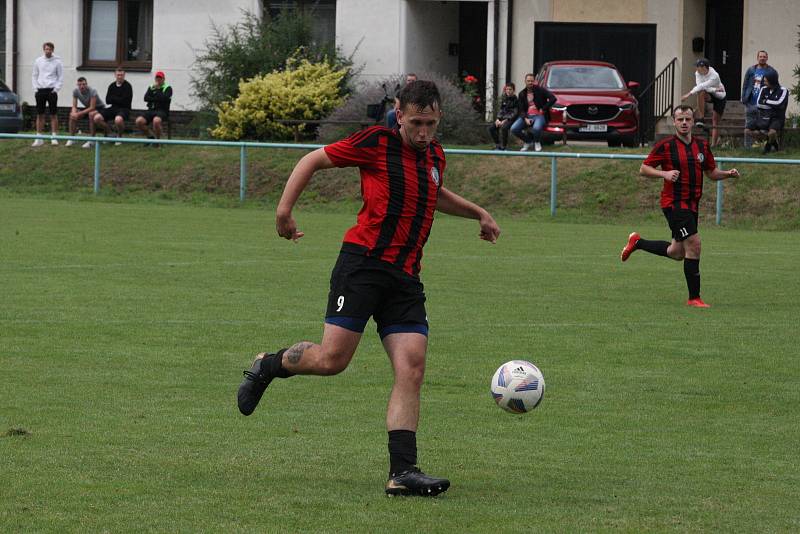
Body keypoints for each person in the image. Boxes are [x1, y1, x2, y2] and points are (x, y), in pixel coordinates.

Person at [237, 80, 501, 497]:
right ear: (399, 113)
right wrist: (284, 210)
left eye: (431, 123)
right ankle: (269, 364)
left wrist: (478, 213)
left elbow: (432, 194)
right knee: (332, 361)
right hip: (362, 267)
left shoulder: (435, 155)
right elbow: (312, 160)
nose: (423, 132)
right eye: (416, 122)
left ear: (439, 118)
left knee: (412, 366)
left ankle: (402, 471)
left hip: (406, 277)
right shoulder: (376, 142)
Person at [619, 105, 739, 308]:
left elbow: (711, 173)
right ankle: (694, 298)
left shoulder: (702, 146)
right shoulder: (665, 146)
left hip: (692, 204)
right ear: (674, 122)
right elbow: (643, 168)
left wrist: (727, 174)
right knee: (694, 244)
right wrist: (663, 174)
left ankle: (637, 242)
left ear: (693, 122)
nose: (684, 123)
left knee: (677, 252)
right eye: (680, 119)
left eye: (688, 119)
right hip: (674, 203)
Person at [681, 58, 726, 147]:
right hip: (709, 93)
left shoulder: (714, 75)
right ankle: (701, 118)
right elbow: (700, 87)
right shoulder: (697, 73)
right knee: (700, 92)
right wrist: (714, 89)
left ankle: (713, 144)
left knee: (715, 121)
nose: (696, 69)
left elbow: (703, 85)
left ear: (704, 68)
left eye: (698, 67)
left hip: (719, 96)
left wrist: (688, 94)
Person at [745, 68, 788, 154]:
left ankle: (767, 147)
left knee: (772, 133)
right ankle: (774, 144)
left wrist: (766, 101)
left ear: (772, 81)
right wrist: (772, 104)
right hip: (763, 116)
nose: (764, 82)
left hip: (777, 118)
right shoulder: (763, 89)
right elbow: (759, 104)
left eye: (766, 81)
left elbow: (780, 104)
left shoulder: (783, 90)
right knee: (747, 130)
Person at [510, 73, 557, 152]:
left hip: (539, 115)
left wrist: (544, 108)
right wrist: (525, 118)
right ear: (525, 81)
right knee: (514, 128)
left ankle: (537, 142)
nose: (530, 82)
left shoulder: (540, 90)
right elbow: (521, 109)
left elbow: (553, 98)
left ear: (534, 81)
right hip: (527, 116)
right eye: (528, 81)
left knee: (536, 128)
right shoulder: (522, 94)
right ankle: (528, 141)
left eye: (532, 81)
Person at [31, 42, 64, 147]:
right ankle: (39, 138)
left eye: (49, 49)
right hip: (40, 90)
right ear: (43, 50)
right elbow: (34, 75)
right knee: (40, 114)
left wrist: (56, 89)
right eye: (46, 49)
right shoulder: (38, 61)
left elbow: (60, 77)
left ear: (52, 50)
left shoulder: (57, 62)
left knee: (53, 114)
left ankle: (54, 137)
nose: (48, 51)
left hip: (51, 91)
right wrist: (36, 88)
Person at [93, 67, 133, 146]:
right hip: (113, 108)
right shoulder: (112, 86)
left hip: (124, 109)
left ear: (124, 75)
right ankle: (110, 133)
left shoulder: (128, 86)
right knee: (96, 118)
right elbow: (107, 100)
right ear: (115, 75)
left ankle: (119, 136)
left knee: (118, 120)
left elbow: (125, 101)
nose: (120, 77)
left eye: (121, 75)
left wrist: (114, 98)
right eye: (118, 75)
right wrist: (118, 99)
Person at [741, 51, 772, 149]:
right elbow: (745, 84)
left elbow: (774, 86)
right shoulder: (751, 70)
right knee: (748, 126)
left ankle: (765, 146)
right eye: (760, 56)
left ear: (767, 58)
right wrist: (744, 98)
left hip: (763, 104)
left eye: (764, 56)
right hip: (750, 103)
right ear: (757, 58)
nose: (762, 58)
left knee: (764, 127)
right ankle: (748, 147)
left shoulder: (771, 71)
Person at [136, 71, 172, 147]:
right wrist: (157, 98)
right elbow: (146, 98)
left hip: (163, 111)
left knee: (156, 121)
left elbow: (164, 99)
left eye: (160, 78)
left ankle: (157, 141)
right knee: (139, 121)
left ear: (164, 79)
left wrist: (157, 90)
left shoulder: (168, 88)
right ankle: (150, 137)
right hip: (151, 110)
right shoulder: (151, 87)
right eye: (157, 78)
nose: (158, 80)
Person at [67, 77, 105, 148]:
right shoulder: (75, 91)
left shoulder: (92, 91)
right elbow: (74, 106)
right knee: (72, 115)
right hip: (88, 108)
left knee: (91, 114)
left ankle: (92, 139)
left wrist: (78, 113)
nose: (82, 86)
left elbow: (92, 107)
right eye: (80, 85)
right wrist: (74, 113)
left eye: (84, 84)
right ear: (77, 85)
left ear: (86, 84)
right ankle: (72, 138)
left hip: (99, 108)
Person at [487, 82, 518, 150]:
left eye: (510, 89)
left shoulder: (516, 100)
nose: (508, 91)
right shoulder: (504, 98)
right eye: (507, 89)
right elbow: (501, 110)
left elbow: (514, 113)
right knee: (491, 128)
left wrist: (505, 120)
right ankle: (498, 145)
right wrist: (498, 119)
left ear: (513, 90)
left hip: (511, 119)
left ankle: (504, 146)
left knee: (504, 127)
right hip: (502, 119)